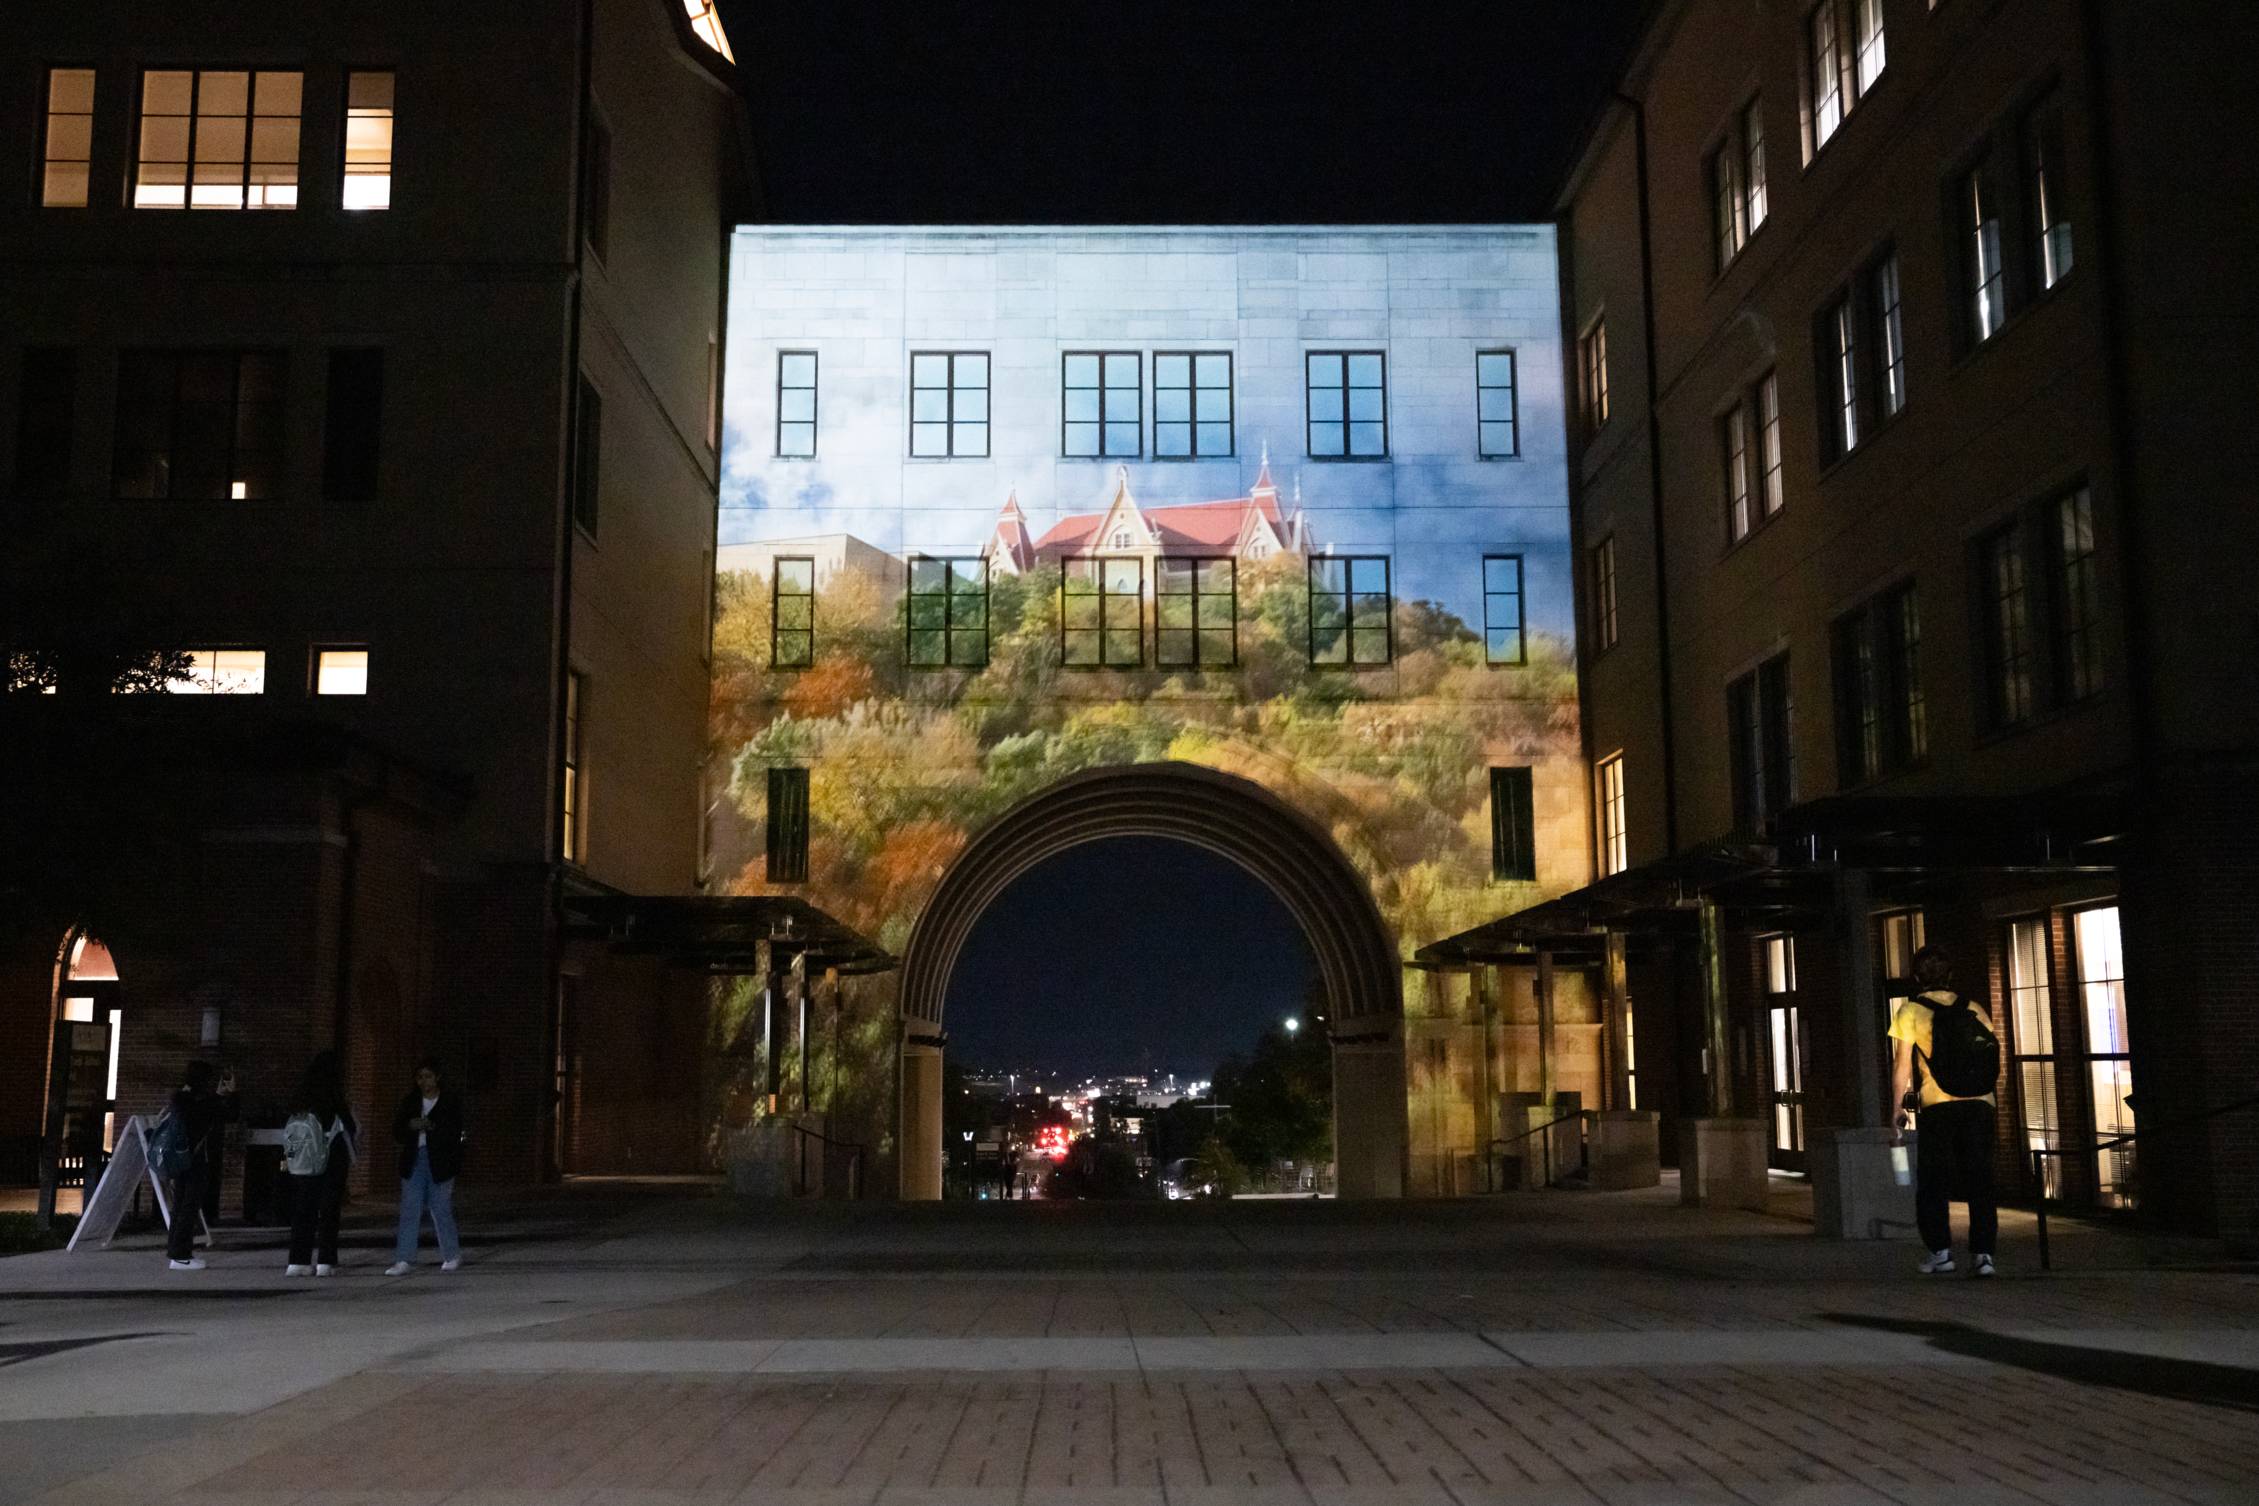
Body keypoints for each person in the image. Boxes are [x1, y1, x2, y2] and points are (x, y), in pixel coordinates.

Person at [1889, 945, 2001, 1277]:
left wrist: (1896, 1108)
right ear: (1950, 976)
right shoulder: (1975, 1009)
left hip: (1939, 1105)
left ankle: (1941, 1251)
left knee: (1935, 1180)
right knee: (1980, 1180)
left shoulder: (1910, 1012)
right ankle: (1983, 1255)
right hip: (1981, 1104)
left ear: (1916, 977)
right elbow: (1992, 1055)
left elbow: (1901, 1067)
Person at [283, 1051, 359, 1276]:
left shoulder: (301, 1096)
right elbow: (349, 1126)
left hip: (304, 1161)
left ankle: (297, 1261)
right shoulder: (334, 1095)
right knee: (328, 1209)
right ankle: (325, 1261)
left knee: (303, 1209)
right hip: (331, 1156)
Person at [386, 1058, 463, 1275]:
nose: (424, 1081)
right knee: (410, 1208)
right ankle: (404, 1258)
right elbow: (397, 1131)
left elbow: (456, 1131)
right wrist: (411, 1126)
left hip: (440, 1160)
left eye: (428, 1076)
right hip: (414, 1158)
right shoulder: (410, 1102)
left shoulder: (449, 1101)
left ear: (437, 1077)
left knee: (440, 1208)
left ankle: (451, 1254)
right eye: (420, 1077)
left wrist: (432, 1127)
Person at [162, 1061, 238, 1272]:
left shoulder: (180, 1099)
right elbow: (230, 1115)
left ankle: (175, 1251)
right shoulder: (203, 1103)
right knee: (189, 1206)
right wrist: (230, 1094)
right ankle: (181, 1255)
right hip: (196, 1160)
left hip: (178, 1159)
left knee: (179, 1205)